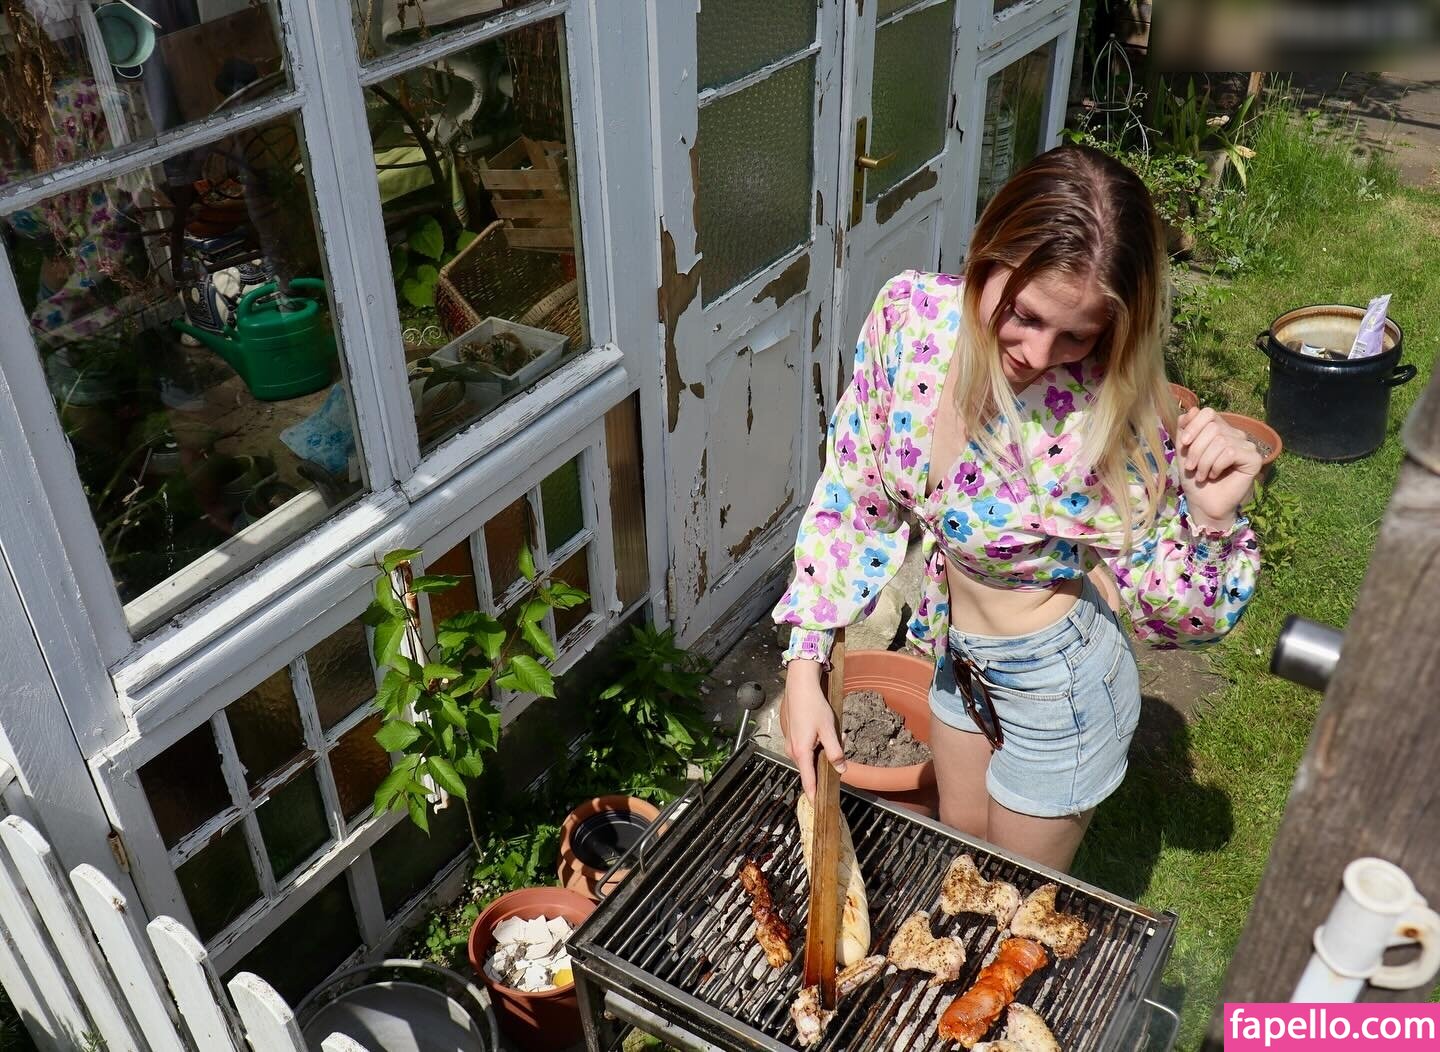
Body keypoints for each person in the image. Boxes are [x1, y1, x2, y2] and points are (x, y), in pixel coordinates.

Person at [775, 144, 1262, 873]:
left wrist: (1213, 519)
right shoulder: (910, 322)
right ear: (987, 253)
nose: (1039, 353)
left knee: (1010, 898)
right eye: (1026, 315)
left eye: (1077, 333)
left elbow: (1180, 615)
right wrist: (804, 662)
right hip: (959, 660)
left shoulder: (1106, 408)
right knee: (960, 864)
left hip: (1057, 688)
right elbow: (853, 495)